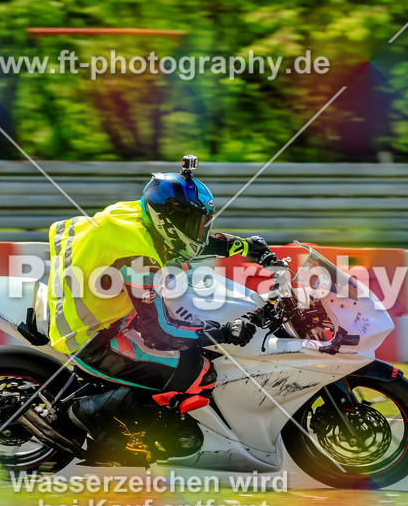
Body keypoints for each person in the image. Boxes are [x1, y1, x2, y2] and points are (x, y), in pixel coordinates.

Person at [42, 154, 279, 451]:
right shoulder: (137, 259)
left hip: (88, 302)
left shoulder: (136, 215)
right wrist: (223, 332)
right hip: (91, 334)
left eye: (201, 223)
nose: (199, 231)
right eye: (192, 223)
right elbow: (161, 330)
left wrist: (244, 247)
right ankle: (87, 415)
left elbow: (187, 245)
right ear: (167, 219)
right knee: (196, 369)